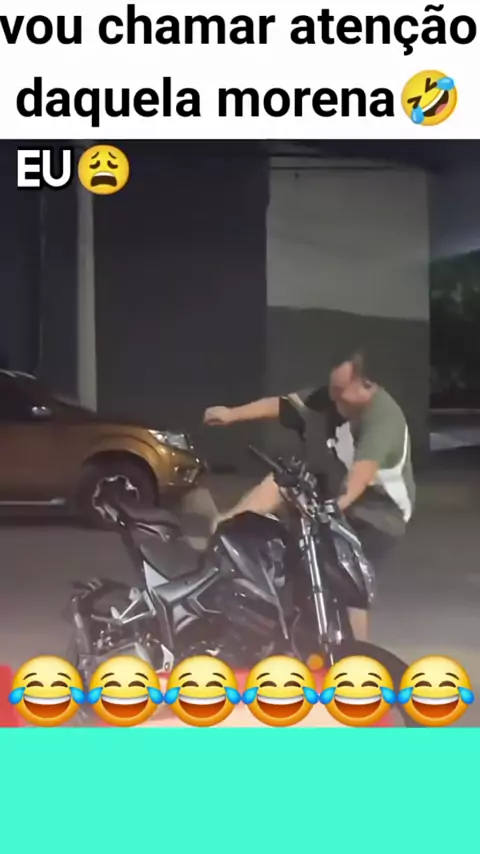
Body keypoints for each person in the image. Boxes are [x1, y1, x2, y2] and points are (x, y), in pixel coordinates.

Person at [203, 351, 415, 641]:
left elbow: (360, 477)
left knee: (348, 583)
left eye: (340, 391)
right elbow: (282, 405)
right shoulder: (333, 397)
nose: (333, 398)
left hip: (378, 515)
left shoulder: (382, 418)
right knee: (283, 482)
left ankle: (357, 657)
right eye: (332, 389)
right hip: (335, 496)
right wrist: (231, 414)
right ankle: (227, 528)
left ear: (367, 386)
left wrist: (334, 507)